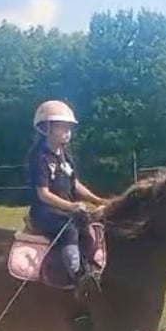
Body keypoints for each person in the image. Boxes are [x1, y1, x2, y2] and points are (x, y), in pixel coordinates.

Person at [27, 100, 107, 293]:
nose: (68, 132)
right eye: (62, 127)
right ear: (46, 128)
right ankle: (78, 276)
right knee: (69, 230)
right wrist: (71, 206)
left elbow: (75, 184)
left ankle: (90, 267)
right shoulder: (39, 157)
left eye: (69, 127)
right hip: (45, 212)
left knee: (88, 225)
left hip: (65, 210)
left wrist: (98, 200)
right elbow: (43, 194)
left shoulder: (65, 155)